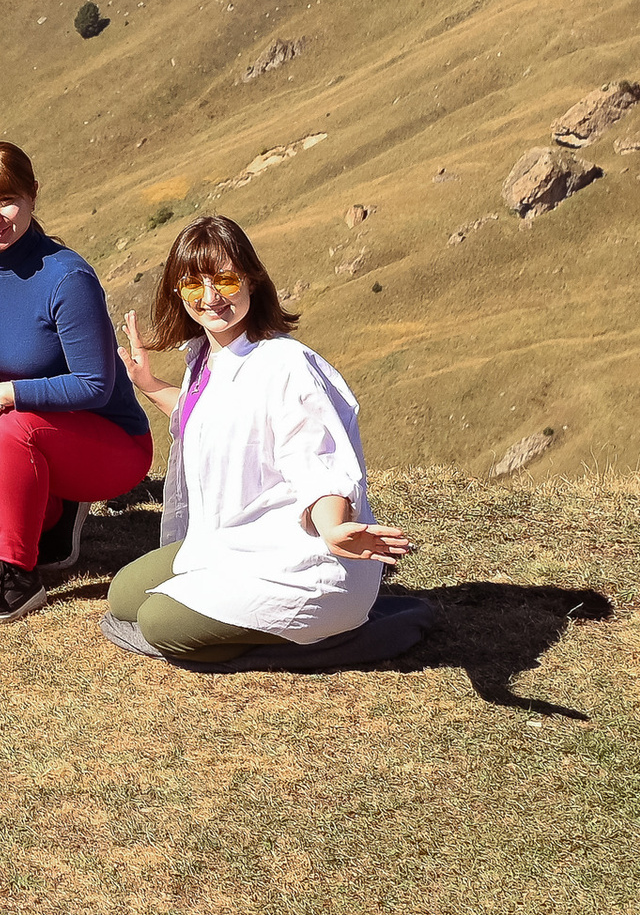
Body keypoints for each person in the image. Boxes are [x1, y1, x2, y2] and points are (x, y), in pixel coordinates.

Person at [108, 217, 413, 662]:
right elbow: (213, 424)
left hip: (304, 563)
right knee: (124, 597)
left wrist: (334, 527)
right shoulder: (207, 356)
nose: (210, 298)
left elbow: (318, 460)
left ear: (251, 279)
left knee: (158, 624)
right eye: (194, 284)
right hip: (235, 541)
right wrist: (151, 385)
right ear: (178, 292)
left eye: (225, 280)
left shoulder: (286, 366)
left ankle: (335, 639)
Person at [0, 141, 153, 626]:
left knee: (7, 426)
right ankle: (52, 512)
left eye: (6, 201)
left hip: (109, 444)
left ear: (32, 197)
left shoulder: (68, 278)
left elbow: (95, 384)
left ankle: (17, 576)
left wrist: (3, 394)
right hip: (28, 435)